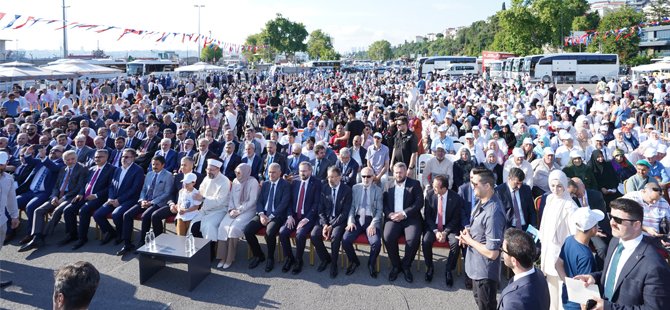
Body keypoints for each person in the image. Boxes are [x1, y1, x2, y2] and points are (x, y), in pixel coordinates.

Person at [574, 198, 670, 309]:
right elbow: (615, 273)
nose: (611, 223)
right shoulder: (615, 241)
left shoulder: (654, 265)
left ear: (636, 225)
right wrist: (594, 277)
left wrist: (608, 308)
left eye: (618, 220)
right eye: (611, 216)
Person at [20, 150, 88, 252]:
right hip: (58, 196)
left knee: (57, 211)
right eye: (67, 160)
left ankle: (43, 236)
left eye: (72, 159)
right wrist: (54, 197)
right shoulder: (62, 169)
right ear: (64, 161)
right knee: (38, 210)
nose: (70, 161)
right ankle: (36, 237)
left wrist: (63, 198)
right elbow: (56, 186)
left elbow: (79, 187)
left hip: (70, 196)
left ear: (76, 158)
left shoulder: (82, 169)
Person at [459, 167, 506, 310]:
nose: (472, 187)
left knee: (486, 306)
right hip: (476, 266)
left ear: (487, 186)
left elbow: (493, 253)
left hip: (485, 272)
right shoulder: (483, 200)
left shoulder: (493, 213)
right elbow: (480, 227)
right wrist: (468, 231)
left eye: (475, 184)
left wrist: (469, 241)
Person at [116, 155, 174, 256]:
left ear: (163, 165)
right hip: (145, 201)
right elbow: (143, 190)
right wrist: (142, 200)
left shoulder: (168, 175)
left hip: (158, 202)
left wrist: (152, 202)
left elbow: (167, 193)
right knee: (127, 214)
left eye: (157, 164)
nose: (154, 166)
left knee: (145, 216)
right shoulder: (149, 174)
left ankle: (142, 242)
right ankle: (127, 243)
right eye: (153, 164)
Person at [539, 170, 578, 310]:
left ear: (565, 185)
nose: (556, 189)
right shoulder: (549, 199)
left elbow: (574, 234)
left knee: (563, 286)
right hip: (548, 249)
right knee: (551, 284)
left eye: (559, 186)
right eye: (553, 185)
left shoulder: (570, 206)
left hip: (562, 253)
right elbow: (544, 224)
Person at [62, 149, 115, 250]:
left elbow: (111, 187)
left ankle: (82, 238)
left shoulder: (112, 169)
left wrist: (96, 195)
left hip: (100, 197)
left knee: (84, 210)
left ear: (106, 157)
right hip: (85, 195)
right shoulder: (92, 168)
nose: (97, 159)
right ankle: (72, 234)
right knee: (68, 210)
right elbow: (85, 183)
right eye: (95, 157)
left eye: (100, 157)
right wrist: (80, 193)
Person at [243, 163, 290, 272]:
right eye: (269, 172)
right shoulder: (265, 184)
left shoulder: (285, 185)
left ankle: (270, 258)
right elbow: (259, 201)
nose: (271, 174)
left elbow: (284, 203)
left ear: (280, 173)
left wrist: (271, 216)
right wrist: (261, 214)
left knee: (270, 232)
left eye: (273, 172)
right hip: (263, 214)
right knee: (248, 230)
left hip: (277, 216)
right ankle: (258, 255)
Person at [93, 148, 145, 246]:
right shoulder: (118, 169)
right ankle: (110, 232)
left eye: (126, 157)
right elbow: (112, 186)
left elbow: (134, 190)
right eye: (122, 156)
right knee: (98, 214)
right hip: (114, 198)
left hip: (129, 200)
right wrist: (110, 198)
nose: (123, 159)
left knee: (116, 214)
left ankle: (121, 235)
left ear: (133, 158)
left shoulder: (138, 170)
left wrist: (119, 200)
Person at [555, 207, 603, 310]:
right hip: (578, 305)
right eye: (596, 225)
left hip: (566, 298)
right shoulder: (586, 256)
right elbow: (586, 290)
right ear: (593, 229)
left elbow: (558, 264)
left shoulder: (569, 240)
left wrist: (568, 283)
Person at [383, 162, 424, 283]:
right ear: (393, 173)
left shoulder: (415, 184)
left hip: (410, 217)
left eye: (401, 172)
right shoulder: (388, 185)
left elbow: (419, 203)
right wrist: (390, 214)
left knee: (413, 239)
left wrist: (404, 213)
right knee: (388, 237)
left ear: (406, 172)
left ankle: (406, 265)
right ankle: (396, 265)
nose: (398, 175)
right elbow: (384, 203)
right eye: (396, 172)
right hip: (393, 218)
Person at [280, 162, 322, 274]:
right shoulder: (294, 182)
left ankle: (299, 260)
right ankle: (289, 258)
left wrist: (306, 219)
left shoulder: (317, 183)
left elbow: (316, 204)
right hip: (293, 215)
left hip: (307, 216)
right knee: (283, 232)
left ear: (310, 171)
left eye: (304, 171)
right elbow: (288, 201)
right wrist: (289, 215)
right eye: (300, 171)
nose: (302, 173)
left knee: (300, 234)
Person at [311, 166, 352, 278]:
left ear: (339, 177)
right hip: (325, 220)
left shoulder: (347, 190)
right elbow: (320, 209)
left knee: (335, 236)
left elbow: (345, 212)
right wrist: (325, 224)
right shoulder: (324, 188)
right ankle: (325, 259)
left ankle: (334, 264)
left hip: (339, 220)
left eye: (333, 177)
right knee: (314, 235)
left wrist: (331, 226)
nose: (330, 179)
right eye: (329, 177)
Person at [422, 175, 462, 287]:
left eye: (435, 187)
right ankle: (429, 267)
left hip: (449, 227)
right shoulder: (429, 195)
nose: (432, 189)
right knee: (426, 241)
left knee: (455, 243)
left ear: (444, 189)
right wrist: (436, 231)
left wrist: (445, 232)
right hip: (433, 226)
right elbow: (427, 216)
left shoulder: (455, 198)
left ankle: (449, 270)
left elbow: (456, 218)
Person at [342, 167, 383, 278]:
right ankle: (354, 261)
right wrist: (350, 221)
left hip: (371, 219)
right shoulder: (355, 188)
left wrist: (373, 224)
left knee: (376, 243)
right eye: (363, 176)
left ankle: (371, 263)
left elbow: (379, 211)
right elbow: (352, 207)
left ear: (373, 177)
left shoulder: (378, 190)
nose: (365, 178)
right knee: (345, 240)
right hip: (357, 219)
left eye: (368, 176)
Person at [216, 163, 259, 269]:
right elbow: (230, 197)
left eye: (239, 172)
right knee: (222, 227)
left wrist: (239, 211)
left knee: (233, 229)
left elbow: (252, 201)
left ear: (245, 172)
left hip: (248, 211)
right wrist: (231, 209)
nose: (236, 174)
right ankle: (222, 257)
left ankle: (229, 258)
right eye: (235, 172)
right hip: (233, 210)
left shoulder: (253, 182)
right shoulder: (235, 181)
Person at [498, 228, 550, 310]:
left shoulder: (513, 301)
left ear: (514, 261)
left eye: (503, 250)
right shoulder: (539, 275)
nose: (502, 253)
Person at [191, 159, 230, 240]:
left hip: (219, 211)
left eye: (211, 170)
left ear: (218, 170)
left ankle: (210, 250)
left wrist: (203, 198)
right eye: (207, 169)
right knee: (193, 225)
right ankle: (198, 249)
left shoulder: (225, 181)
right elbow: (200, 192)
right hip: (205, 209)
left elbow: (219, 201)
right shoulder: (207, 178)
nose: (209, 172)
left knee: (209, 226)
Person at [0, 152, 19, 288]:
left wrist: (14, 216)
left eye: (1, 164)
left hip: (1, 221)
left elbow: (11, 199)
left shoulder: (9, 179)